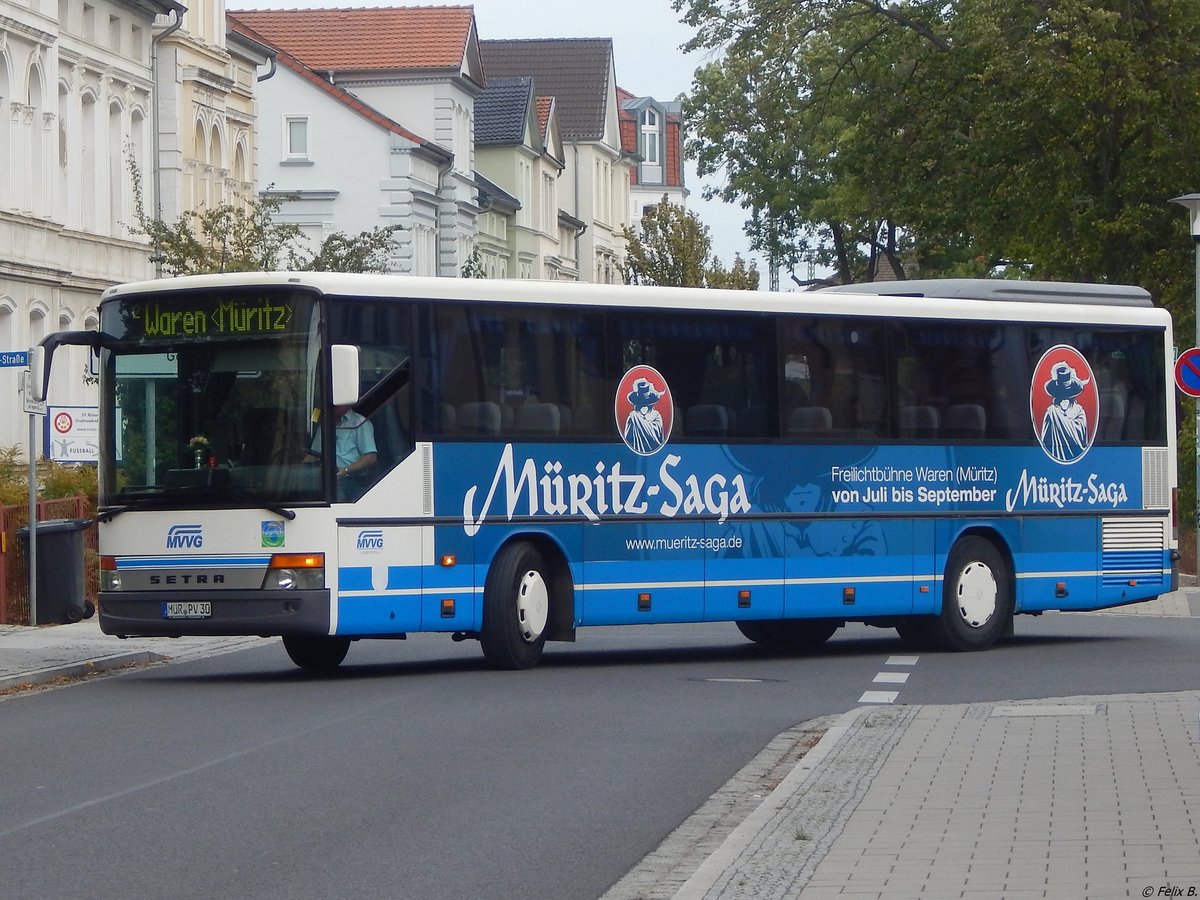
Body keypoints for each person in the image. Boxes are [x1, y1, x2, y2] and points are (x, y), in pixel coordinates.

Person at [305, 403, 378, 499]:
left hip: (351, 481)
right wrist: (300, 470)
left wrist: (345, 471)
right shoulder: (325, 424)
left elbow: (371, 457)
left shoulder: (359, 423)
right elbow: (314, 454)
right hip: (325, 478)